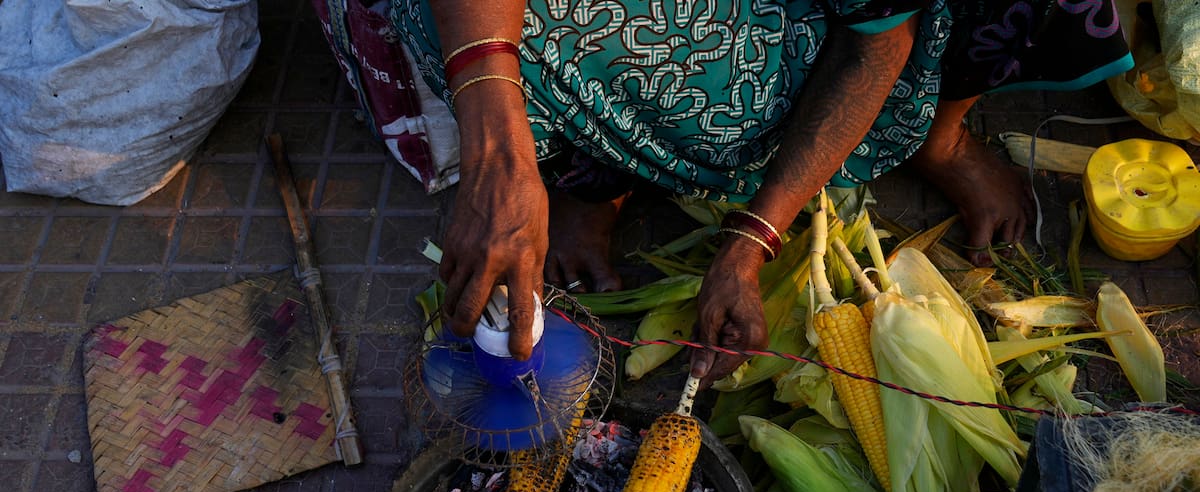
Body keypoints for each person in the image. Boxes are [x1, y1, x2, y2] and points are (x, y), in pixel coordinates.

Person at [390, 0, 1131, 384]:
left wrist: (751, 242)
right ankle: (598, 177)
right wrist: (498, 152)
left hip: (869, 25)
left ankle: (939, 129)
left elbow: (879, 43)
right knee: (440, 25)